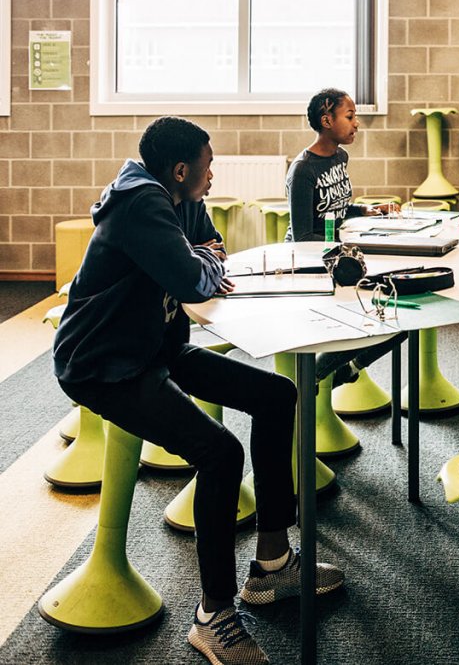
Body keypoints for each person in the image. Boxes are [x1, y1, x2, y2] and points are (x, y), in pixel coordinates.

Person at [52, 116, 344, 665]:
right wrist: (198, 262)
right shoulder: (141, 203)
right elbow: (193, 277)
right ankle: (213, 616)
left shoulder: (178, 196)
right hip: (104, 365)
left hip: (154, 346)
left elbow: (213, 249)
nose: (213, 178)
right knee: (220, 453)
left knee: (278, 396)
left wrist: (198, 258)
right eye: (208, 168)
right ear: (181, 170)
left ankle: (273, 564)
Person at [286, 87, 405, 388]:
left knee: (401, 317)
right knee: (384, 312)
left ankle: (348, 367)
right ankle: (310, 377)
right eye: (350, 116)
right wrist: (349, 251)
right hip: (313, 262)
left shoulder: (340, 156)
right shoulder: (302, 170)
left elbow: (336, 208)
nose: (356, 123)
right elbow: (302, 236)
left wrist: (367, 209)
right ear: (327, 121)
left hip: (340, 254)